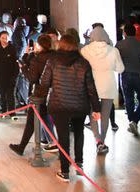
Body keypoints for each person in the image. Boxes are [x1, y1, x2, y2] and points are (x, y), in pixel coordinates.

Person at [37, 33, 101, 183]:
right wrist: (96, 108)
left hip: (59, 104)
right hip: (80, 104)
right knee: (79, 133)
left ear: (61, 44)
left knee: (63, 137)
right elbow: (91, 88)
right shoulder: (84, 63)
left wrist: (39, 98)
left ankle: (65, 171)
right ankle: (79, 164)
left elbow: (45, 82)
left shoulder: (53, 61)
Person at [9, 34, 55, 155]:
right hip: (54, 93)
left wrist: (23, 68)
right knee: (45, 119)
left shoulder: (37, 59)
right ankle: (55, 144)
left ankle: (22, 147)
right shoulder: (55, 57)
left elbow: (32, 78)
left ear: (40, 45)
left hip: (40, 94)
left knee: (31, 121)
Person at [80, 26, 123, 154]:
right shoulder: (113, 50)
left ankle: (97, 139)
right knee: (105, 115)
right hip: (108, 85)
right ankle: (103, 142)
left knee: (92, 114)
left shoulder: (85, 50)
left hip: (91, 85)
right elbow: (120, 69)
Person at [116, 22, 140, 136]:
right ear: (135, 32)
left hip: (125, 75)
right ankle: (135, 120)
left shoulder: (119, 45)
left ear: (124, 33)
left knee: (128, 100)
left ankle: (132, 120)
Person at [0, 30, 19, 118]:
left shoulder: (12, 48)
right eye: (3, 38)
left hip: (11, 75)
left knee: (10, 94)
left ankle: (12, 112)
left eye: (6, 38)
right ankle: (3, 110)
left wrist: (15, 75)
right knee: (2, 94)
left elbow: (15, 62)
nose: (4, 40)